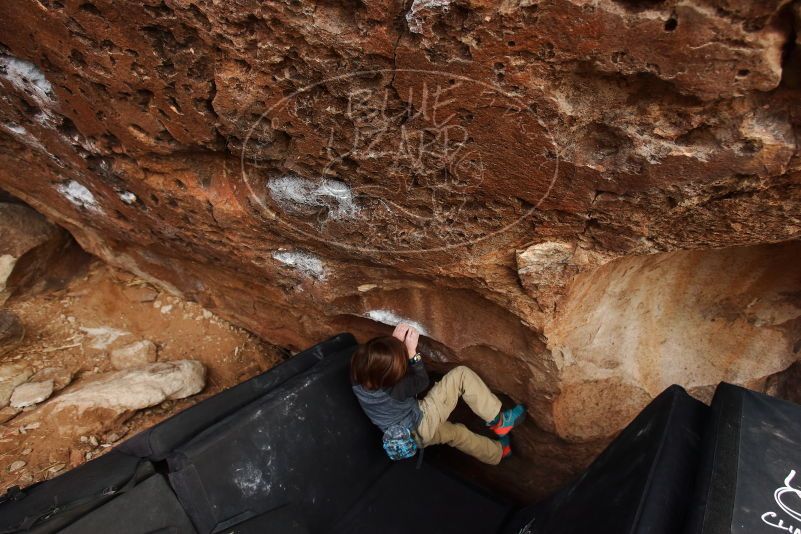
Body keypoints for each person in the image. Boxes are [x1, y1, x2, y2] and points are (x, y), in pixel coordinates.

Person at [350, 323, 526, 465]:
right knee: (461, 375)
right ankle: (500, 420)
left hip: (410, 438)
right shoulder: (396, 390)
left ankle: (497, 453)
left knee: (457, 434)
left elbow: (378, 366)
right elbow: (421, 381)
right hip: (421, 422)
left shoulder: (357, 375)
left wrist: (393, 346)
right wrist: (411, 353)